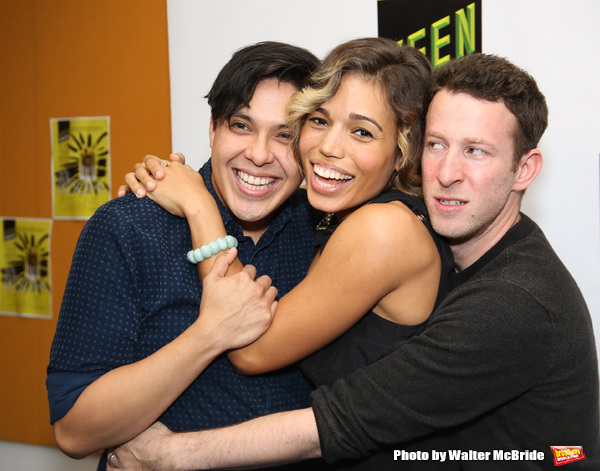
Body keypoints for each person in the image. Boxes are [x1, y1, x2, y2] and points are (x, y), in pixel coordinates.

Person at [107, 53, 600, 470]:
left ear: (525, 169)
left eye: (476, 151)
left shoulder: (508, 296)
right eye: (438, 145)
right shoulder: (373, 227)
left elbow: (313, 405)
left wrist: (169, 456)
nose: (448, 172)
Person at [115, 37, 454, 470]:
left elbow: (250, 347)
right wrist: (158, 176)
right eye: (319, 120)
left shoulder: (383, 229)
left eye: (362, 132)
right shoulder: (329, 215)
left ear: (401, 154)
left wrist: (198, 205)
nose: (329, 147)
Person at [46, 41, 322, 471]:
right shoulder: (129, 228)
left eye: (285, 135)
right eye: (242, 125)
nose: (260, 154)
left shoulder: (326, 233)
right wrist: (209, 334)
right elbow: (74, 430)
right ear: (213, 128)